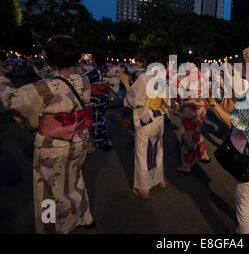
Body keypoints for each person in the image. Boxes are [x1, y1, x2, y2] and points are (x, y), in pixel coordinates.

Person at [0, 36, 95, 233]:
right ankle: (84, 216)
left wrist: (2, 79)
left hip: (54, 145)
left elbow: (14, 102)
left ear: (50, 60)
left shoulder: (46, 87)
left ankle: (50, 228)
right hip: (79, 139)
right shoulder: (84, 80)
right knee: (75, 177)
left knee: (48, 190)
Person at [208, 46, 249, 234]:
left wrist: (212, 102)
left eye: (243, 62)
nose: (240, 65)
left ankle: (247, 228)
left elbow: (232, 122)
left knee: (243, 203)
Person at [119, 46, 168, 198]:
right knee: (156, 150)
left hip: (146, 118)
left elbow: (133, 101)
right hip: (159, 117)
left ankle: (143, 187)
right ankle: (159, 179)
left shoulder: (143, 78)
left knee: (142, 152)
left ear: (146, 60)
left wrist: (126, 83)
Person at [175, 54, 211, 175]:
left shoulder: (188, 76)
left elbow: (178, 88)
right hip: (202, 107)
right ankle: (203, 154)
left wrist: (178, 101)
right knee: (196, 131)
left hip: (191, 107)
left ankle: (187, 165)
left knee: (187, 136)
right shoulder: (204, 75)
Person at [83, 49, 113, 150]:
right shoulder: (106, 69)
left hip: (95, 99)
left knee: (92, 121)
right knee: (101, 119)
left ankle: (94, 144)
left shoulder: (94, 71)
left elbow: (83, 79)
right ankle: (105, 140)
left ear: (94, 60)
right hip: (104, 97)